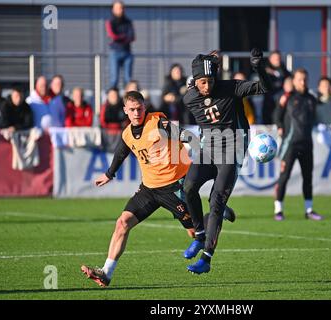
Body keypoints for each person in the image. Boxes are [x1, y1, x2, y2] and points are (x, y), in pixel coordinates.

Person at [80, 91, 235, 287]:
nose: (137, 113)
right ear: (125, 111)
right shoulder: (127, 133)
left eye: (140, 109)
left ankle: (217, 214)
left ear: (145, 108)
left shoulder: (157, 122)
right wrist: (109, 174)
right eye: (132, 110)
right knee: (122, 223)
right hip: (149, 189)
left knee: (196, 235)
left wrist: (196, 140)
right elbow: (121, 152)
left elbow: (180, 133)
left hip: (175, 186)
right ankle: (106, 273)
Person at [182, 48, 272, 274]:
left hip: (232, 152)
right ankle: (200, 235)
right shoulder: (190, 98)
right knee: (189, 187)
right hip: (208, 151)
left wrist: (258, 68)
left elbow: (265, 87)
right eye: (202, 82)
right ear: (195, 82)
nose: (207, 86)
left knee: (216, 203)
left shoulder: (231, 88)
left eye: (210, 80)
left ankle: (206, 259)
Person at [274, 68, 324, 222]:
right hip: (290, 144)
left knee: (307, 177)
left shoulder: (311, 98)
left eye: (305, 79)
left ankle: (309, 210)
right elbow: (277, 115)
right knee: (284, 177)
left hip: (306, 143)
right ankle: (278, 210)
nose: (303, 82)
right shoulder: (287, 98)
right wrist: (280, 126)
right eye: (300, 79)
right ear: (294, 81)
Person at [106, 0, 135, 89]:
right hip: (115, 52)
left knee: (128, 79)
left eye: (122, 8)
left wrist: (120, 37)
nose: (120, 10)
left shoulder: (128, 22)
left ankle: (130, 101)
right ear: (113, 9)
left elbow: (132, 37)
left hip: (127, 52)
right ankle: (113, 101)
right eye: (118, 8)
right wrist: (124, 37)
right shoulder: (110, 22)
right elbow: (113, 36)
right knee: (114, 79)